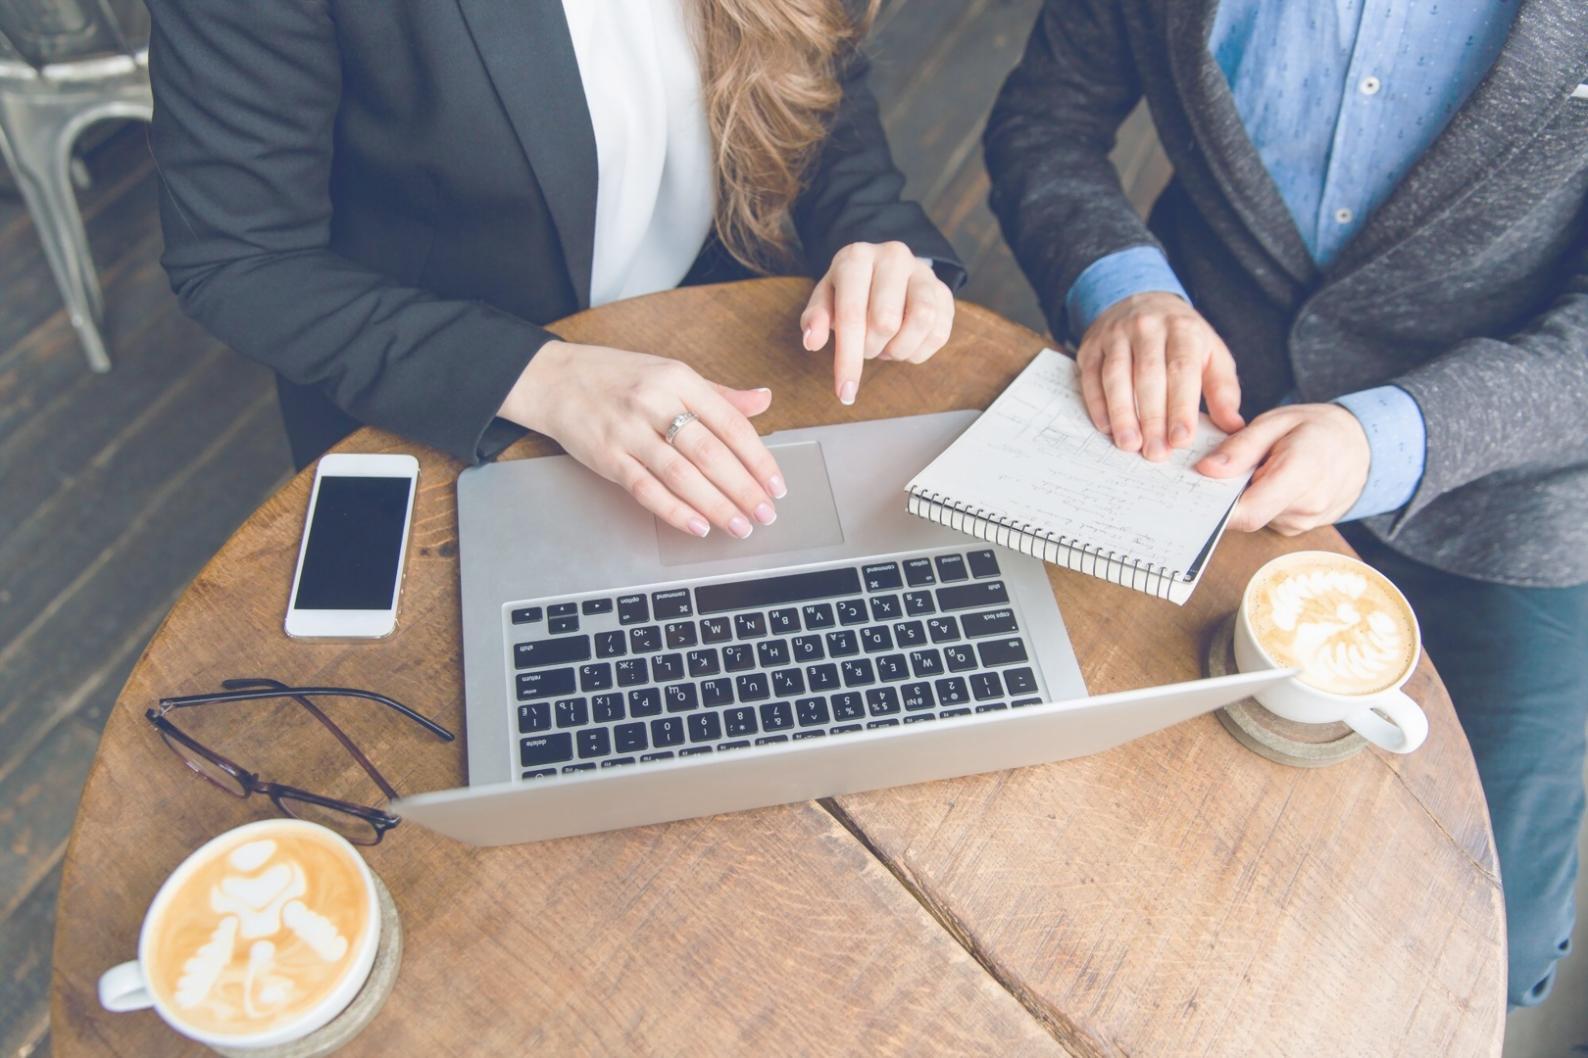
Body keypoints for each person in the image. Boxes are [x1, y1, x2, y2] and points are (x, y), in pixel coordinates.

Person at [985, 0, 1588, 1008]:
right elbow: (1044, 120)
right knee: (1102, 866)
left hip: (1502, 486)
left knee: (1495, 952)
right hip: (1196, 431)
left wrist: (1388, 436)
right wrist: (1126, 288)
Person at [145, 0, 962, 541]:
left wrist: (879, 238)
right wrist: (545, 376)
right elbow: (243, 258)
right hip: (457, 395)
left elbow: (821, 74)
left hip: (729, 345)